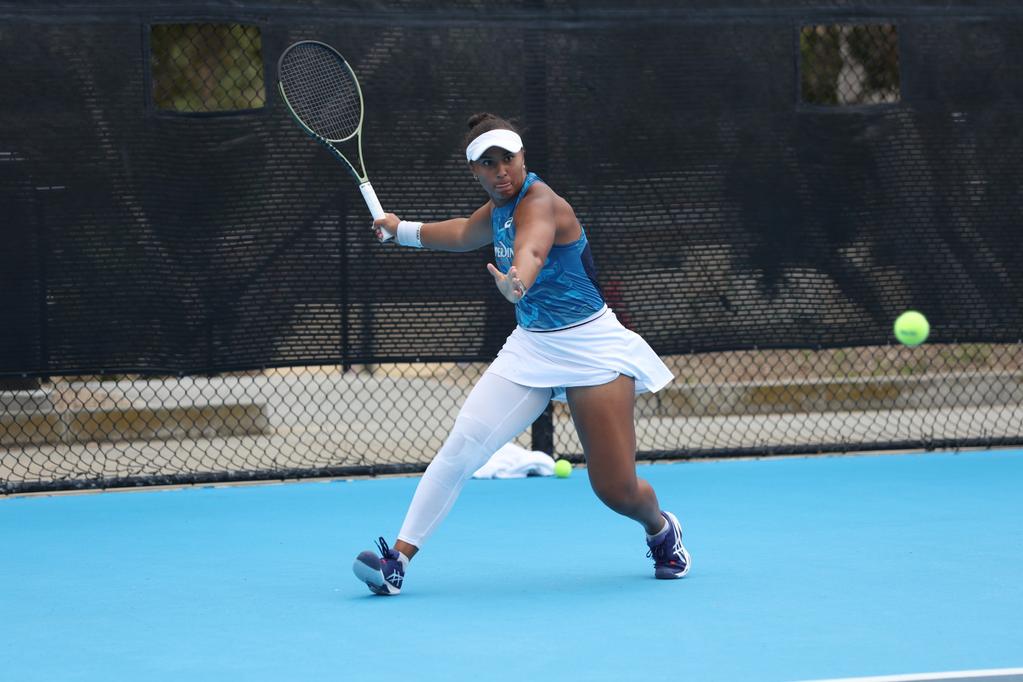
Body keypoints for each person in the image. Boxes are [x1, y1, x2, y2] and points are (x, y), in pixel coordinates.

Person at [352, 113, 690, 595]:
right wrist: (400, 229)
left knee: (615, 490)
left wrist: (518, 284)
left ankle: (660, 528)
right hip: (532, 347)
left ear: (522, 156)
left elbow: (531, 250)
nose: (500, 170)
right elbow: (460, 235)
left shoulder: (541, 203)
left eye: (506, 158)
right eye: (487, 164)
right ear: (475, 172)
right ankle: (397, 563)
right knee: (461, 448)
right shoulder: (495, 212)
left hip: (592, 346)